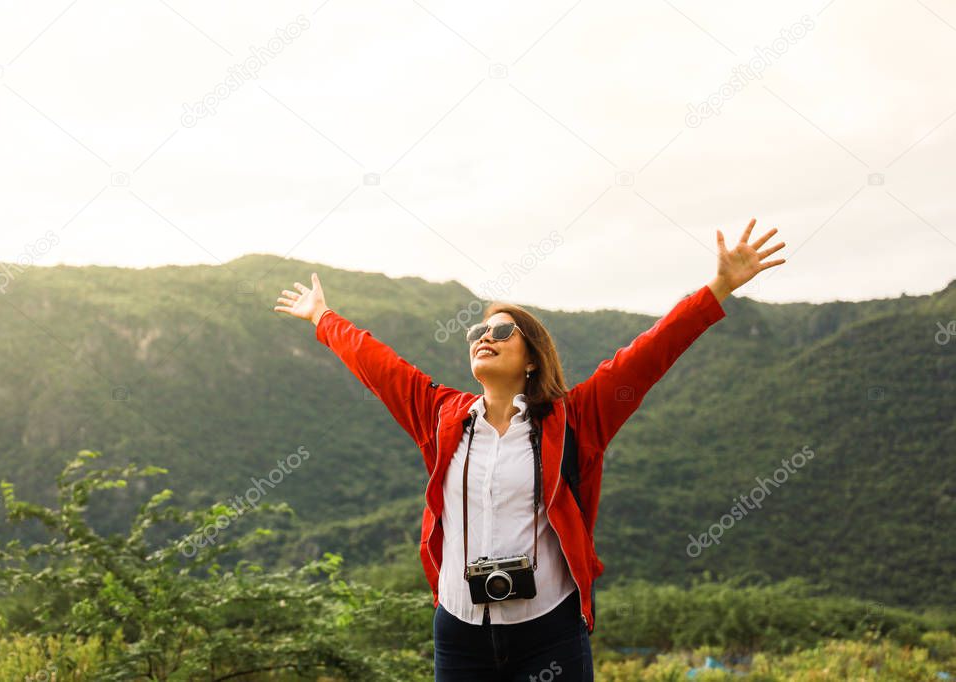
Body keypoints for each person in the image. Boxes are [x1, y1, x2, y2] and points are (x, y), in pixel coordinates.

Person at [274, 219, 785, 681]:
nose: (483, 337)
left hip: (549, 635)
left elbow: (648, 354)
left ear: (532, 359)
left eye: (501, 330)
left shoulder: (577, 420)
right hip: (458, 633)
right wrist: (322, 317)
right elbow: (377, 364)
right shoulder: (442, 416)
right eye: (478, 331)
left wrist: (717, 289)